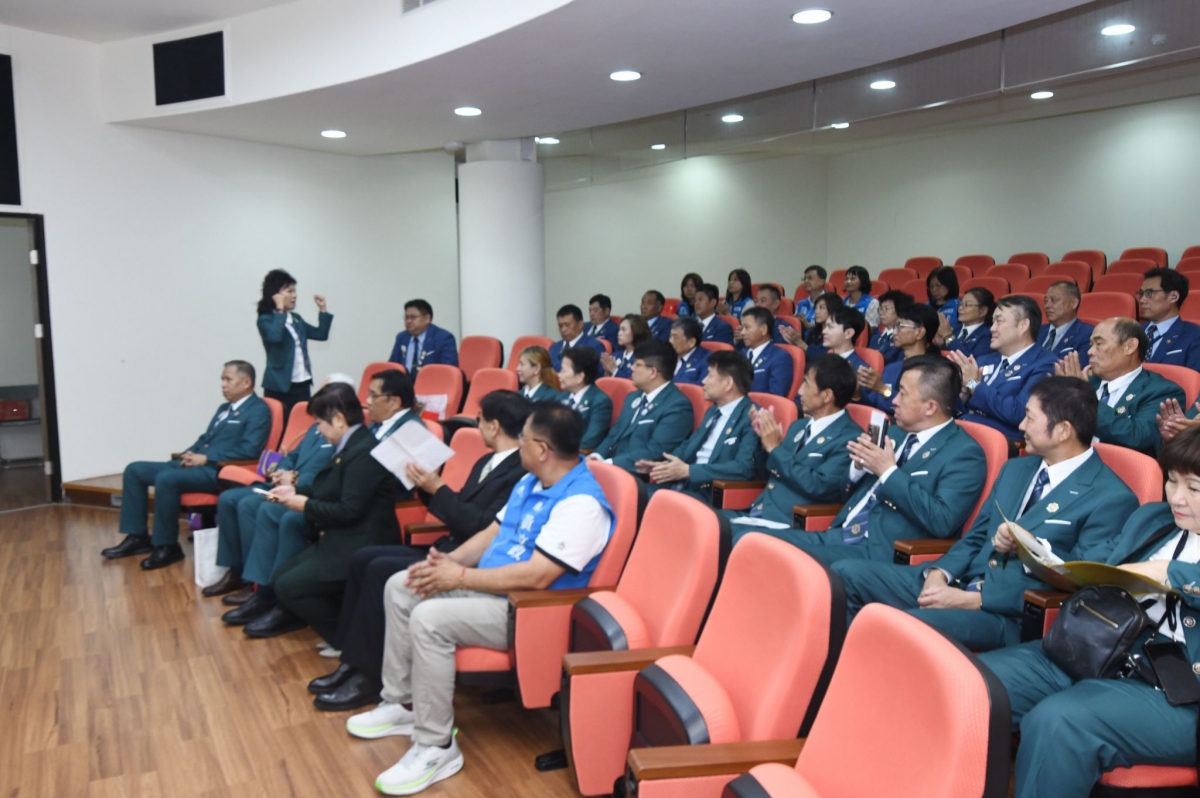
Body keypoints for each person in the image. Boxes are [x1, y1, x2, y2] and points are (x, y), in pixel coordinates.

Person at [349, 404, 614, 795]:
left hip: (528, 611)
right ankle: (402, 703)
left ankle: (437, 746)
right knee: (402, 585)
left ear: (542, 449)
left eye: (523, 439)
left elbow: (538, 576)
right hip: (491, 587)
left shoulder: (581, 504)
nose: (517, 444)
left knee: (429, 619)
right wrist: (449, 562)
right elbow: (493, 532)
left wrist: (459, 577)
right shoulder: (531, 481)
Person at [833, 377, 1138, 652]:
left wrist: (975, 600)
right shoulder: (1017, 469)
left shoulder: (1112, 498)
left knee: (906, 626)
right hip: (960, 580)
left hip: (1008, 613)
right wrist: (939, 573)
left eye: (1030, 418)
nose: (1021, 426)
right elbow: (977, 536)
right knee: (846, 576)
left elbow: (1078, 584)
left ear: (1063, 431)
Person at [978, 425, 1200, 798]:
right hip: (1099, 649)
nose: (1176, 498)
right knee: (975, 683)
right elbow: (1093, 564)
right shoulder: (1153, 519)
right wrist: (1033, 547)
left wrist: (1169, 572)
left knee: (1059, 722)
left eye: (1193, 488)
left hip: (1177, 693)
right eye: (1172, 481)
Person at [307, 391, 532, 712]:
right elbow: (459, 507)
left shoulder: (520, 471)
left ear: (494, 426)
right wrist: (424, 485)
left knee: (379, 570)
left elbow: (482, 526)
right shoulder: (486, 461)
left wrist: (437, 488)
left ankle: (369, 678)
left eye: (479, 419)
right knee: (364, 558)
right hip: (450, 547)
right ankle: (351, 661)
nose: (477, 425)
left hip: (470, 560)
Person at [223, 370, 426, 629]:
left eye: (374, 395)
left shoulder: (409, 431)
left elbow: (394, 487)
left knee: (287, 525)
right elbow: (342, 478)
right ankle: (266, 593)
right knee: (270, 521)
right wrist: (300, 489)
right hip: (345, 511)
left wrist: (305, 498)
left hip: (368, 523)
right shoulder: (370, 429)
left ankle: (326, 624)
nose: (367, 401)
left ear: (395, 401)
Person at [775, 356, 986, 562]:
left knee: (790, 560)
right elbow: (844, 492)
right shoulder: (893, 433)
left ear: (930, 407)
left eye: (902, 394)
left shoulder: (964, 453)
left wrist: (888, 472)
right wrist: (858, 468)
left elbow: (942, 521)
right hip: (838, 534)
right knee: (763, 541)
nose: (894, 401)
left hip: (882, 552)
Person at [101, 361, 271, 570]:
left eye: (228, 379)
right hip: (198, 465)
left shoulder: (258, 410)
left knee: (167, 479)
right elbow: (206, 439)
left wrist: (206, 458)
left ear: (246, 382)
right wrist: (189, 454)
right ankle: (138, 536)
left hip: (219, 471)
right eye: (222, 379)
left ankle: (168, 546)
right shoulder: (224, 408)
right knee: (135, 470)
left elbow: (249, 450)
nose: (223, 385)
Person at [205, 407, 334, 599]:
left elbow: (330, 474)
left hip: (305, 489)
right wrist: (282, 470)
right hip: (284, 483)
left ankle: (254, 581)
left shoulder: (337, 433)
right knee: (228, 498)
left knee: (250, 505)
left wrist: (296, 479)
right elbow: (292, 456)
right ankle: (236, 571)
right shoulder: (314, 428)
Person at [729, 355, 861, 530]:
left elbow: (818, 486)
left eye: (806, 384)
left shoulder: (851, 438)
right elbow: (768, 474)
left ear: (827, 395)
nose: (799, 391)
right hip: (758, 510)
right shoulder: (798, 426)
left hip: (789, 523)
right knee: (706, 521)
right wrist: (764, 443)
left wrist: (775, 449)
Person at [637, 351, 760, 503]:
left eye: (709, 375)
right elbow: (689, 445)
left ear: (728, 383)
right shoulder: (713, 411)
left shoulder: (752, 417)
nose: (703, 381)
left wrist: (689, 471)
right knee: (633, 492)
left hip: (710, 492)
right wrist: (664, 466)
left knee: (650, 501)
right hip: (685, 484)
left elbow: (743, 468)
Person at [1056, 317, 1184, 456]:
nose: (1090, 351)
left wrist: (1083, 397)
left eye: (1099, 344)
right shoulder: (1087, 382)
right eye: (1091, 344)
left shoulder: (1161, 391)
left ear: (1129, 346)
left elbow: (1137, 437)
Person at [950, 294, 1058, 444]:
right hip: (962, 430)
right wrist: (962, 395)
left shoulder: (1044, 364)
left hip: (995, 441)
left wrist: (974, 385)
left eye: (999, 322)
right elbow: (957, 410)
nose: (992, 328)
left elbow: (1019, 412)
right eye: (993, 321)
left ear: (1023, 326)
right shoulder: (984, 359)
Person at [589, 340, 693, 474]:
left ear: (653, 372)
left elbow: (655, 451)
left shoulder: (678, 406)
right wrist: (597, 457)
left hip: (640, 475)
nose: (632, 368)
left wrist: (609, 464)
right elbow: (614, 435)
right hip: (613, 467)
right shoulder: (633, 397)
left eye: (637, 365)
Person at [256, 269, 332, 420]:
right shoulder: (265, 319)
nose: (294, 295)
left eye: (294, 291)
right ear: (275, 295)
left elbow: (321, 334)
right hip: (279, 386)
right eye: (289, 291)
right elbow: (275, 337)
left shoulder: (296, 318)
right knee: (281, 426)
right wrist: (280, 311)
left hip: (302, 383)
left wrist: (323, 309)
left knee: (301, 424)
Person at [857, 304, 938, 412]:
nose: (894, 332)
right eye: (895, 326)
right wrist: (857, 393)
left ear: (919, 332)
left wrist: (884, 389)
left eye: (900, 326)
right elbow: (873, 404)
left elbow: (917, 411)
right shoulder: (891, 368)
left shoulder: (934, 372)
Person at [1140, 268, 1200, 371]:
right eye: (1142, 294)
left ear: (1173, 297)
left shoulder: (1195, 336)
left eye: (1149, 293)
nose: (1142, 300)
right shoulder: (1132, 331)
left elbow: (1194, 378)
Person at [557, 347, 613, 451]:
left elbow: (590, 441)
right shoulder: (560, 397)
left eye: (563, 371)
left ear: (580, 376)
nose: (559, 375)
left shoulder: (600, 401)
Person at [388, 299, 458, 374]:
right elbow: (392, 366)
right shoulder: (402, 337)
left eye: (413, 317)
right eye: (406, 317)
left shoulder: (444, 338)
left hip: (432, 380)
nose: (408, 321)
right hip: (403, 380)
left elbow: (448, 371)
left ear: (427, 319)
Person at [738, 306, 794, 397]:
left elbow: (776, 396)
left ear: (763, 329)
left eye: (747, 327)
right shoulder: (741, 354)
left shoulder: (780, 357)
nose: (742, 333)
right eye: (742, 328)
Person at [1039, 281, 1093, 367]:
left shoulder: (1087, 334)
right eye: (1046, 301)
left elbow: (1079, 368)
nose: (1047, 305)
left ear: (1074, 303)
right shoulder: (1037, 331)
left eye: (1054, 300)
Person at [549, 304, 606, 370]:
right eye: (560, 326)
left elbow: (596, 374)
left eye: (567, 325)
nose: (563, 329)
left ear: (580, 325)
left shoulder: (594, 347)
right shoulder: (554, 347)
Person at [942, 286, 994, 358]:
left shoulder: (989, 335)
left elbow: (972, 359)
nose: (960, 308)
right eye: (960, 304)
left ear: (982, 311)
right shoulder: (954, 329)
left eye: (967, 305)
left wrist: (948, 337)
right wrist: (939, 343)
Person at [870, 290, 914, 365]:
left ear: (900, 310)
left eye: (887, 308)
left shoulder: (904, 340)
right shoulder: (874, 338)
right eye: (881, 308)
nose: (881, 312)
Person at [794, 293, 843, 359]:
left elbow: (828, 357)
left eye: (822, 308)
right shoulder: (812, 332)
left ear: (833, 309)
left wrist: (802, 344)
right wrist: (794, 342)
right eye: (816, 308)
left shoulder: (838, 334)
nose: (817, 312)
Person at [821, 306, 867, 372]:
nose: (824, 331)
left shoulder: (861, 370)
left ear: (848, 333)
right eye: (825, 326)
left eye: (830, 327)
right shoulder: (824, 360)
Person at [669, 317, 711, 386]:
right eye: (670, 336)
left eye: (676, 337)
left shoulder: (707, 360)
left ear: (691, 342)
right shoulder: (666, 356)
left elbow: (701, 387)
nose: (671, 341)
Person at [927, 266, 961, 332]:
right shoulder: (926, 307)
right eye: (931, 286)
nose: (934, 289)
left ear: (949, 285)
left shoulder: (959, 306)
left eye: (938, 285)